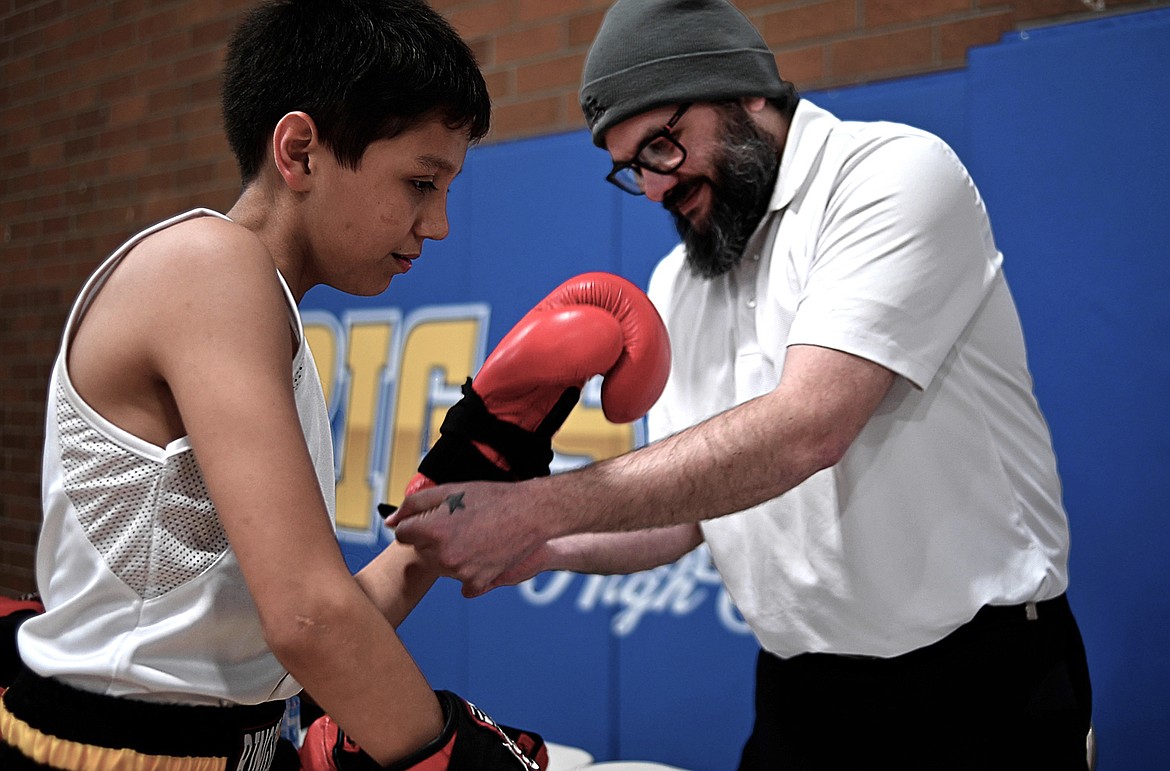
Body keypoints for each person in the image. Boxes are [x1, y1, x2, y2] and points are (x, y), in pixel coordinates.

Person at [387, 0, 1095, 768]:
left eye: (662, 144)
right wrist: (541, 542)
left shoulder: (889, 176)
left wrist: (532, 506)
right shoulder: (683, 277)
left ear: (745, 92)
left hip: (979, 682)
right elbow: (688, 514)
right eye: (632, 167)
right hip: (803, 692)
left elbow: (808, 428)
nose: (655, 188)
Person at [0, 2, 547, 770]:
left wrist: (466, 474)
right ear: (299, 151)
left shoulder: (259, 310)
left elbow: (284, 634)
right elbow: (308, 619)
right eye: (421, 181)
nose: (439, 223)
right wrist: (447, 753)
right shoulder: (209, 265)